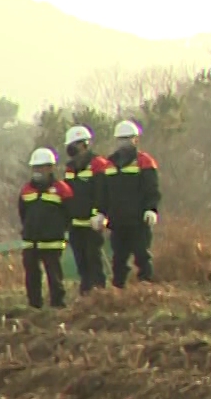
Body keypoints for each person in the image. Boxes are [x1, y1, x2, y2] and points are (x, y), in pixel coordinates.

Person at [100, 120, 161, 287]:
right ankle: (119, 292)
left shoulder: (145, 161)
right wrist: (100, 213)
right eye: (120, 140)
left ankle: (145, 288)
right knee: (118, 259)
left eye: (127, 139)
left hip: (139, 221)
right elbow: (104, 193)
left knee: (142, 256)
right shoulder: (110, 164)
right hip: (117, 221)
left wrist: (151, 209)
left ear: (136, 140)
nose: (123, 143)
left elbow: (152, 189)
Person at [18, 148, 72, 310]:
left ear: (50, 168)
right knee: (32, 275)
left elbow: (68, 212)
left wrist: (60, 231)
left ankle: (57, 304)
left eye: (41, 167)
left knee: (54, 275)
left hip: (52, 241)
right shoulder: (26, 189)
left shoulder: (62, 189)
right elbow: (23, 212)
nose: (37, 171)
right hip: (30, 241)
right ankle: (34, 305)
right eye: (35, 168)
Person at [61, 125, 111, 294]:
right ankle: (86, 292)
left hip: (92, 222)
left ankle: (99, 292)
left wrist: (101, 212)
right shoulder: (70, 168)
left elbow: (103, 191)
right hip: (75, 224)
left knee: (93, 259)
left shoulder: (98, 164)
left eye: (73, 145)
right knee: (81, 261)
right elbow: (67, 195)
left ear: (83, 144)